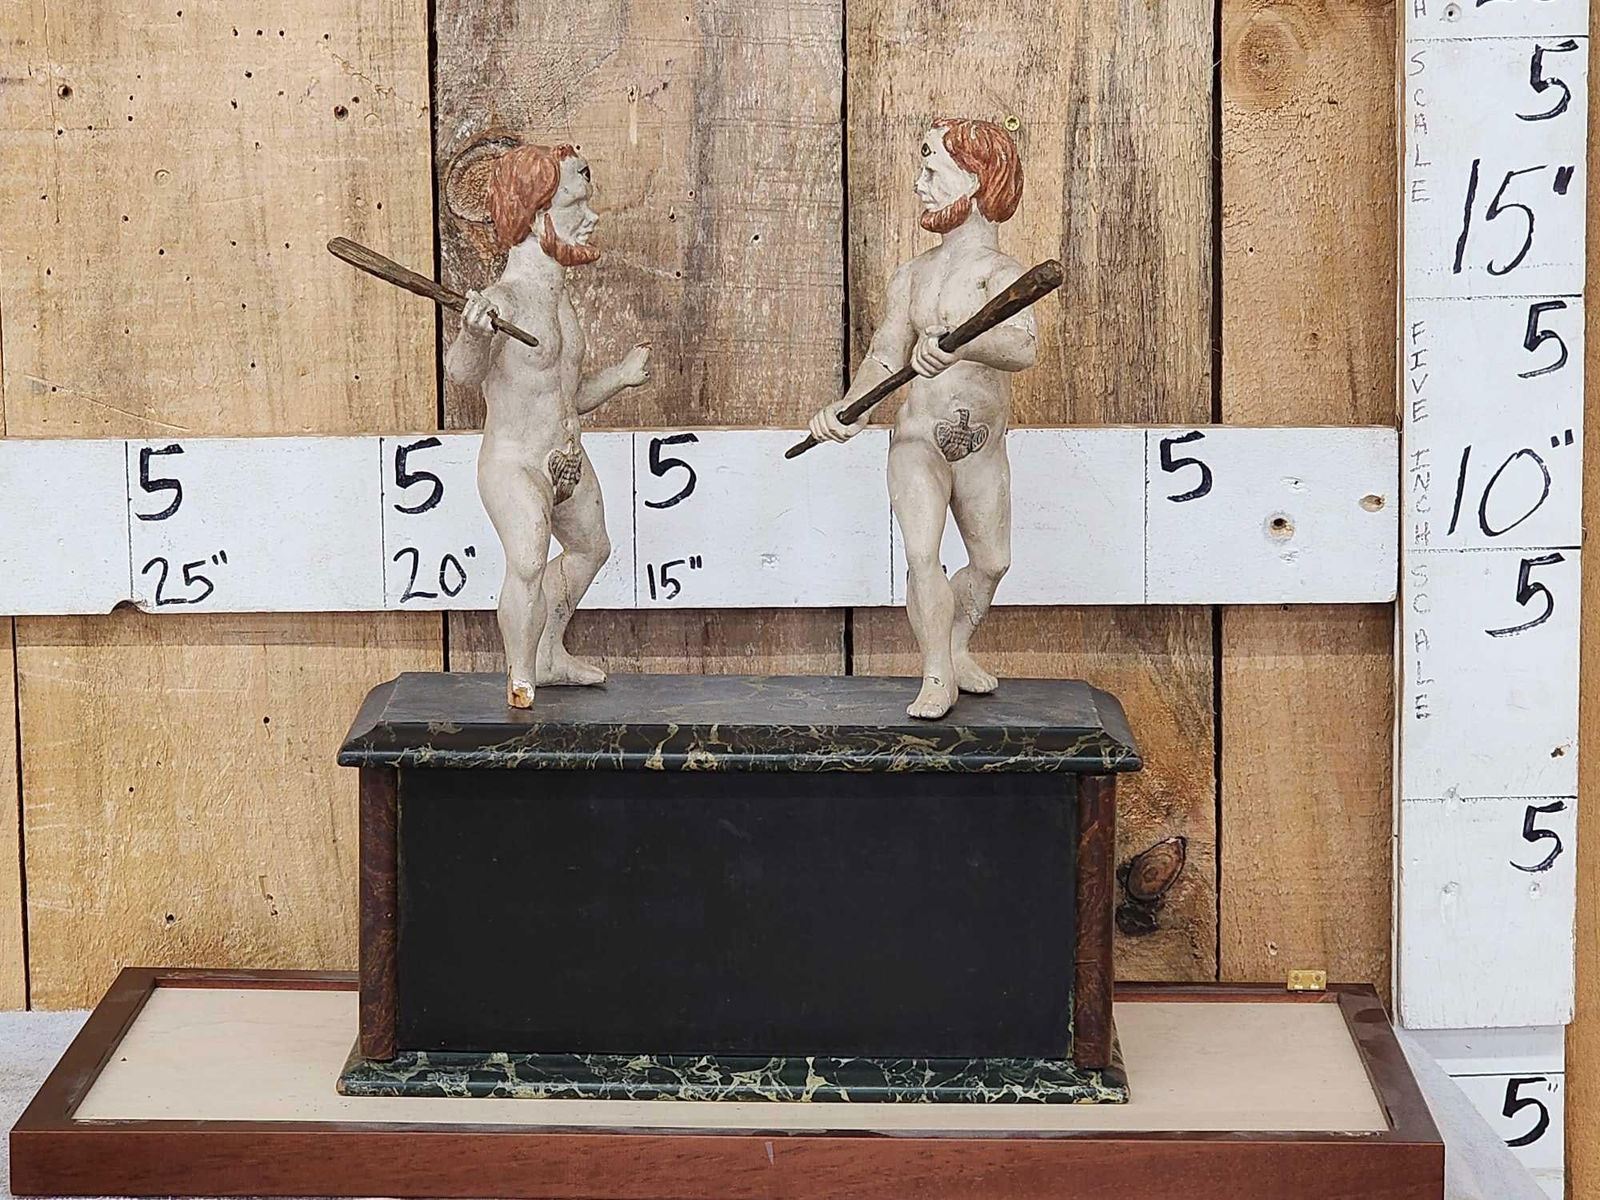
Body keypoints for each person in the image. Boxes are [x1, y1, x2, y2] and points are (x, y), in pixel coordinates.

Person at [807, 118, 1036, 719]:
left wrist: (962, 346)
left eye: (933, 170)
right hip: (918, 441)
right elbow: (886, 354)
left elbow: (1022, 347)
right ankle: (936, 672)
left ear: (976, 179)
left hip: (981, 448)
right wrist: (851, 409)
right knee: (921, 553)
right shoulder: (912, 275)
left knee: (992, 562)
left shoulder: (1001, 274)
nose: (919, 184)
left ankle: (955, 647)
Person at [445, 142, 650, 708]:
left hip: (565, 459)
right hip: (516, 462)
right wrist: (473, 334)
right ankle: (520, 674)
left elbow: (565, 396)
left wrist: (620, 378)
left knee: (591, 548)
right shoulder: (503, 302)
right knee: (529, 560)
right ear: (536, 219)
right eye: (575, 205)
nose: (592, 217)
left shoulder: (560, 304)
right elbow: (461, 373)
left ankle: (547, 654)